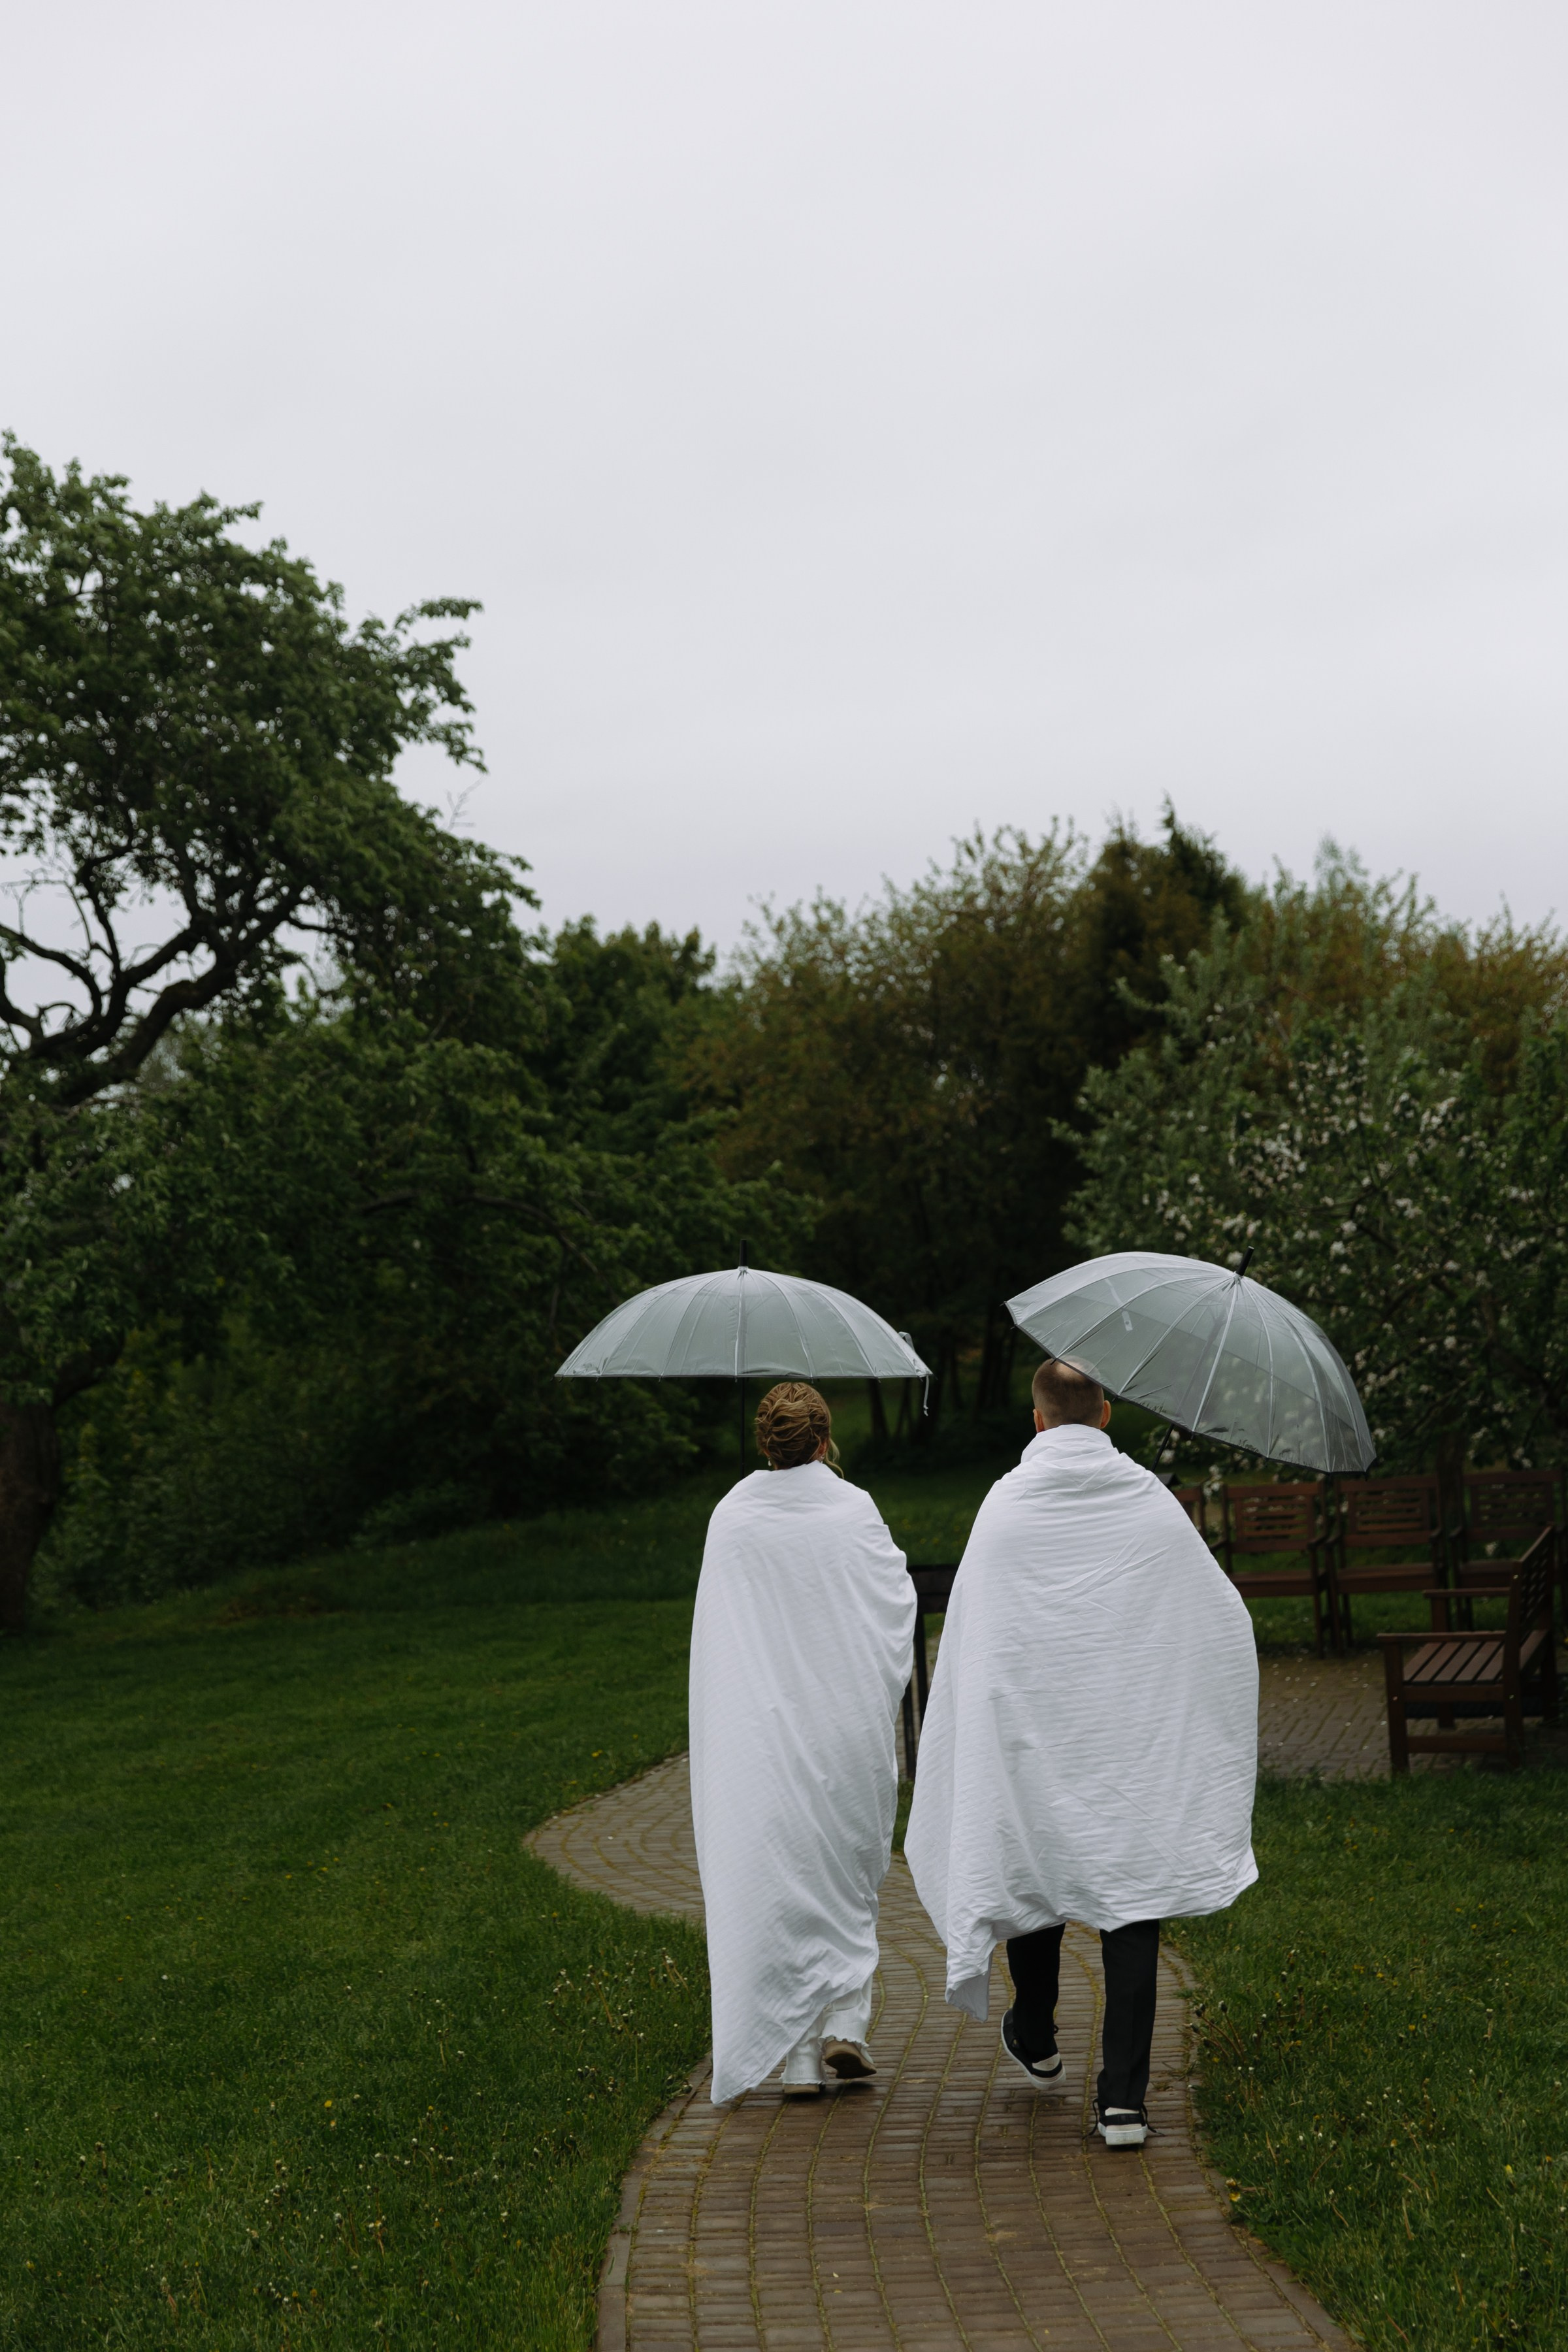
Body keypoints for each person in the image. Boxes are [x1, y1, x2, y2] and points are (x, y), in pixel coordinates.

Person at [905, 1356, 1258, 2149]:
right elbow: (1220, 1614)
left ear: (1037, 1421)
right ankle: (1123, 2102)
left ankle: (1035, 2033)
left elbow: (973, 1638)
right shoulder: (1150, 1504)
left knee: (1035, 1866)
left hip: (1032, 1730)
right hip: (1124, 1737)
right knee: (1130, 1895)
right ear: (1104, 1416)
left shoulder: (1004, 1506)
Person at [689, 1380, 916, 2104]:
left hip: (766, 1734)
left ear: (766, 1445)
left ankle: (795, 2060)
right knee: (849, 1873)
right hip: (843, 1723)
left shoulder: (733, 1515)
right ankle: (845, 2019)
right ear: (824, 1441)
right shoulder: (853, 1509)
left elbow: (718, 1635)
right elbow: (895, 1605)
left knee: (783, 1880)